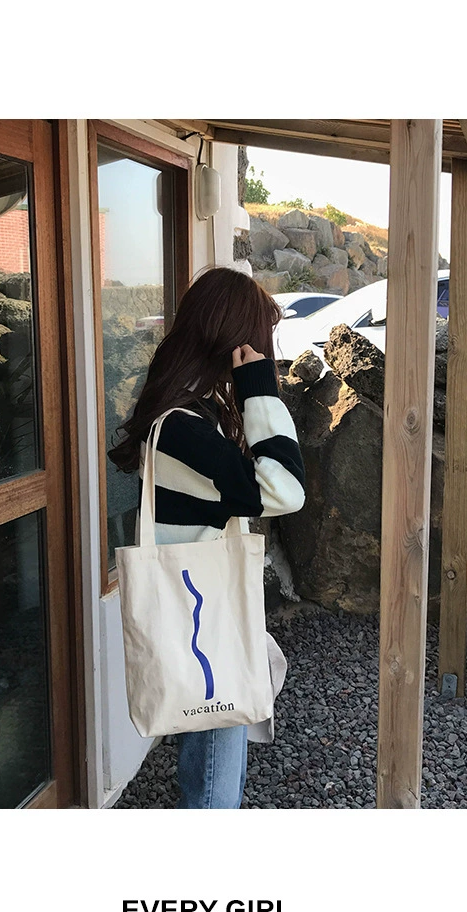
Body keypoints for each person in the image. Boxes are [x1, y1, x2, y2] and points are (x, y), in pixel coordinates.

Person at [108, 266, 306, 809]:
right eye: (261, 338)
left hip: (199, 604)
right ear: (235, 339)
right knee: (216, 758)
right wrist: (258, 388)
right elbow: (284, 491)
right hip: (204, 615)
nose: (265, 351)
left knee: (213, 740)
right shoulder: (183, 427)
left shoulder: (190, 416)